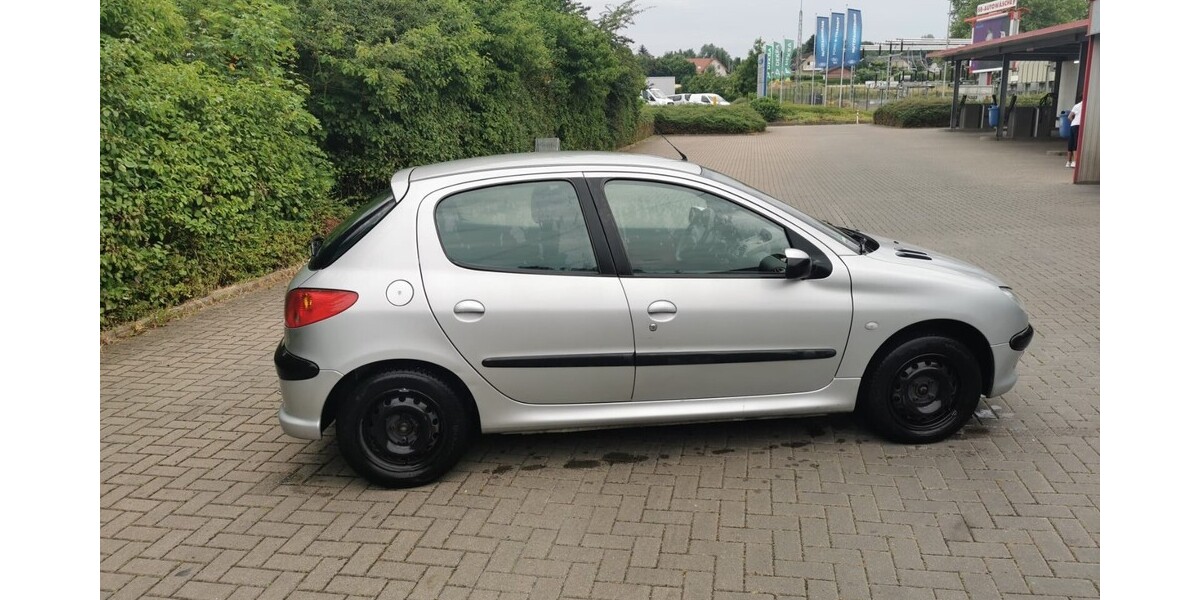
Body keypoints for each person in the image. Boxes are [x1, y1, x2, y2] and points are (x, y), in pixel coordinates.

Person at [1066, 95, 1084, 168]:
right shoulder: (1085, 106)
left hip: (1073, 125)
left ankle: (1068, 162)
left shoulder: (1076, 106)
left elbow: (1069, 117)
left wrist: (1073, 122)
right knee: (1076, 143)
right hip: (1079, 125)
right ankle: (1074, 161)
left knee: (1071, 143)